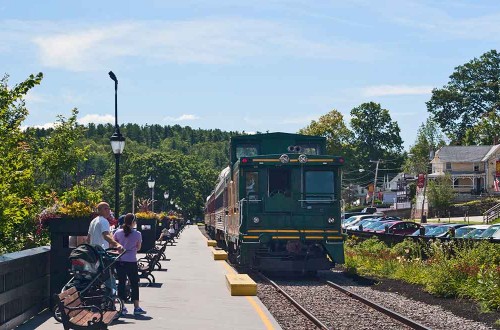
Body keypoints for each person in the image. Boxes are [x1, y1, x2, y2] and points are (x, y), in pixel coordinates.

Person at [113, 213, 147, 316]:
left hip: (120, 260)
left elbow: (113, 245)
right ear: (133, 222)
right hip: (131, 261)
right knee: (134, 284)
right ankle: (136, 307)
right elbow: (139, 248)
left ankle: (122, 307)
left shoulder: (117, 233)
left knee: (121, 283)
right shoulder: (137, 234)